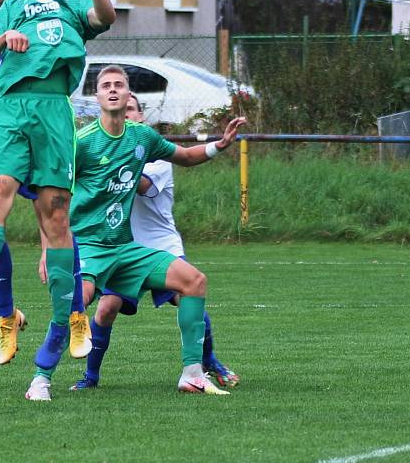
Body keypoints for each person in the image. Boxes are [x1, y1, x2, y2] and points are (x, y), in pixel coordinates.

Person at [24, 64, 245, 400]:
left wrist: (220, 145)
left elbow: (184, 155)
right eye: (105, 85)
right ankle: (40, 380)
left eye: (119, 85)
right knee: (74, 302)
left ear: (129, 95)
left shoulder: (142, 137)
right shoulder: (81, 144)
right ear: (97, 96)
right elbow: (49, 198)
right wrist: (47, 249)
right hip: (87, 246)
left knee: (194, 281)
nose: (112, 89)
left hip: (125, 247)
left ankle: (193, 373)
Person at [0, 0, 116, 373]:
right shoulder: (15, 8)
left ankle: (70, 317)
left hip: (53, 112)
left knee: (55, 217)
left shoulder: (74, 6)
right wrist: (3, 38)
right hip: (12, 108)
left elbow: (106, 18)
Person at [68, 92, 239, 392]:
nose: (127, 113)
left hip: (160, 246)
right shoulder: (105, 143)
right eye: (124, 108)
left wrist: (108, 164)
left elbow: (140, 183)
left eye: (132, 109)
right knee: (106, 308)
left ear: (140, 116)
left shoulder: (151, 152)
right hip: (120, 245)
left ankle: (207, 361)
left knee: (188, 292)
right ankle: (90, 377)